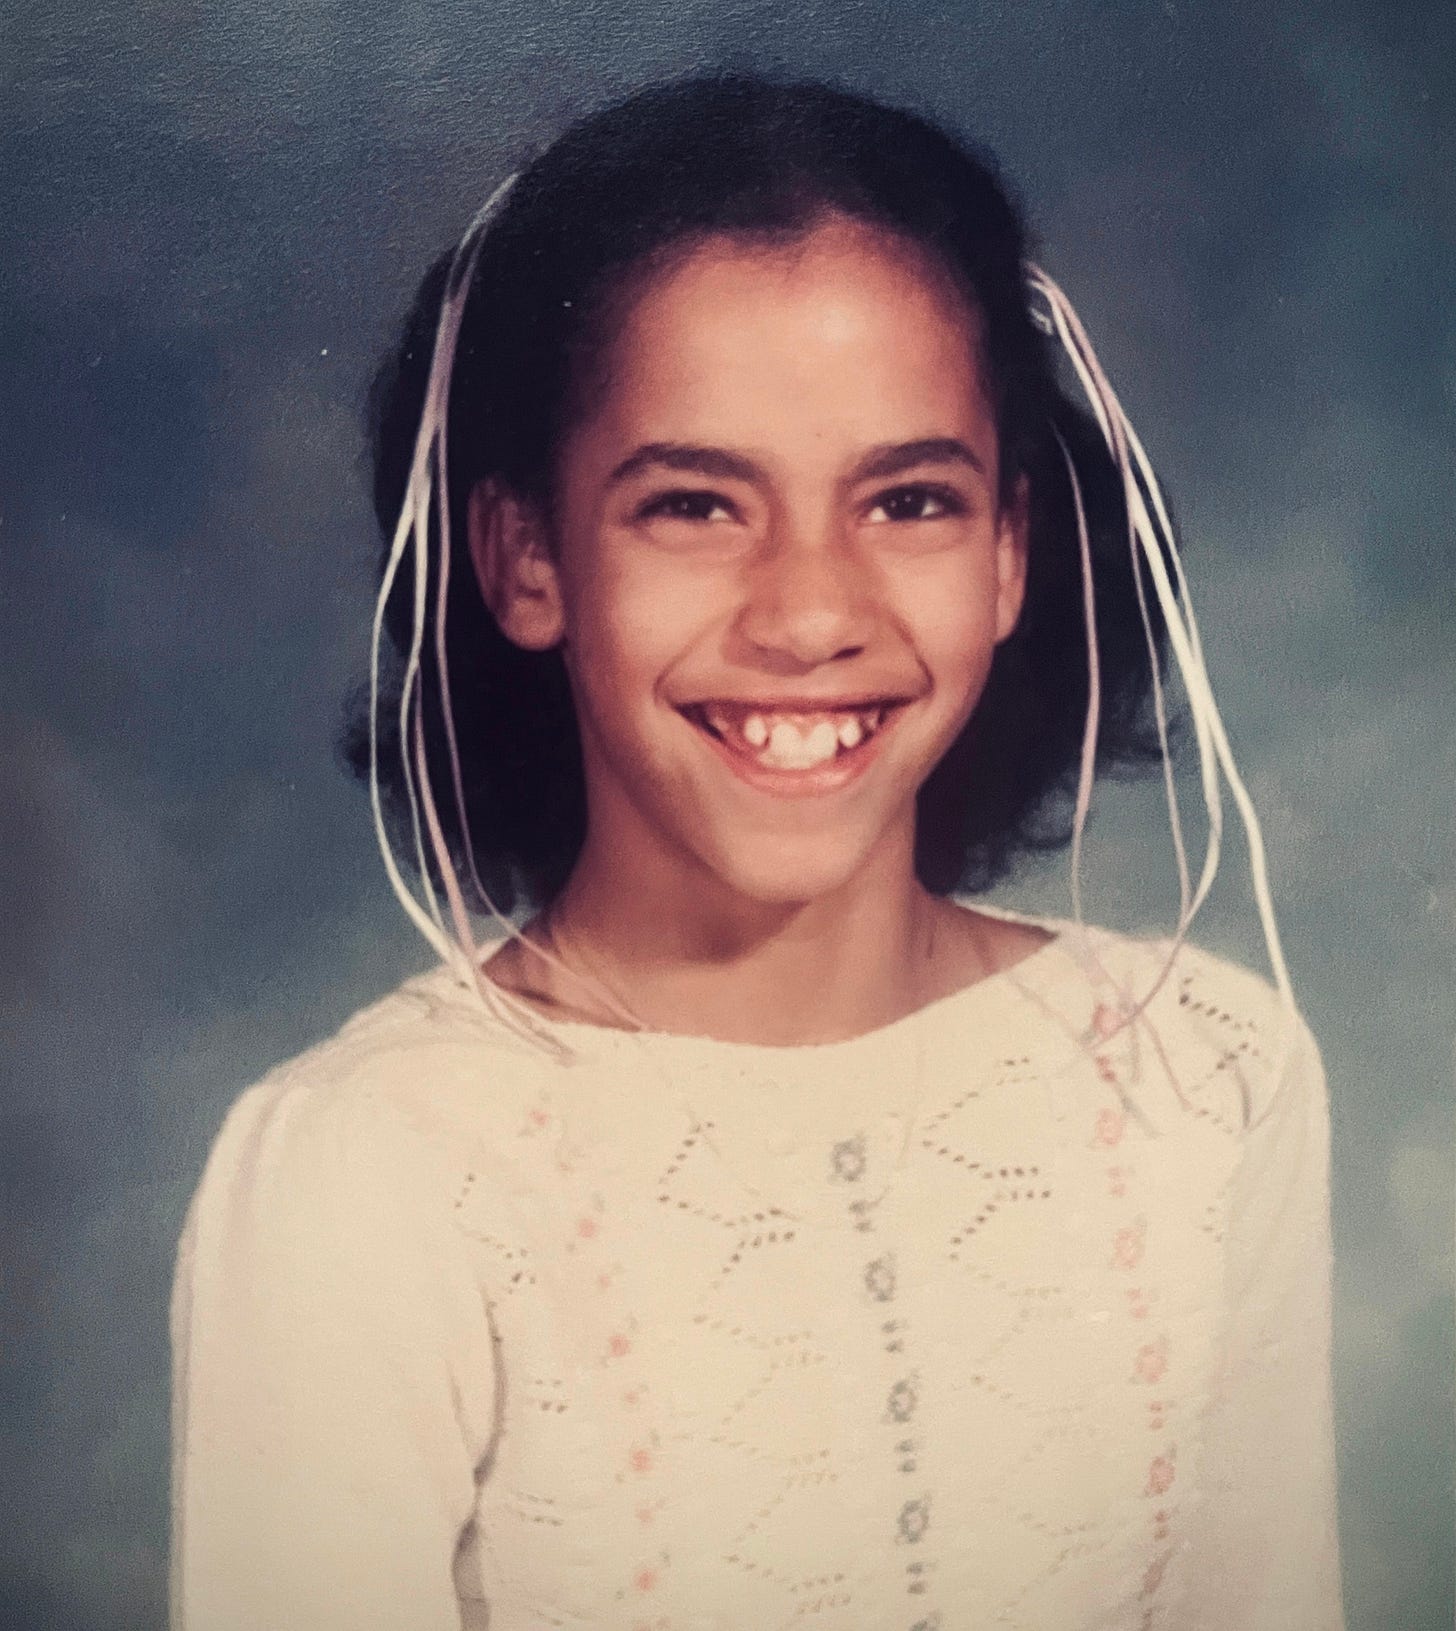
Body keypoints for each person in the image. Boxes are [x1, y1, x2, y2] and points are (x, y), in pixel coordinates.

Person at [168, 73, 1344, 1631]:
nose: (809, 614)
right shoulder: (365, 1173)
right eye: (694, 506)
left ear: (1008, 552)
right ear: (525, 557)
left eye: (907, 501)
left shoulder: (1211, 1075)